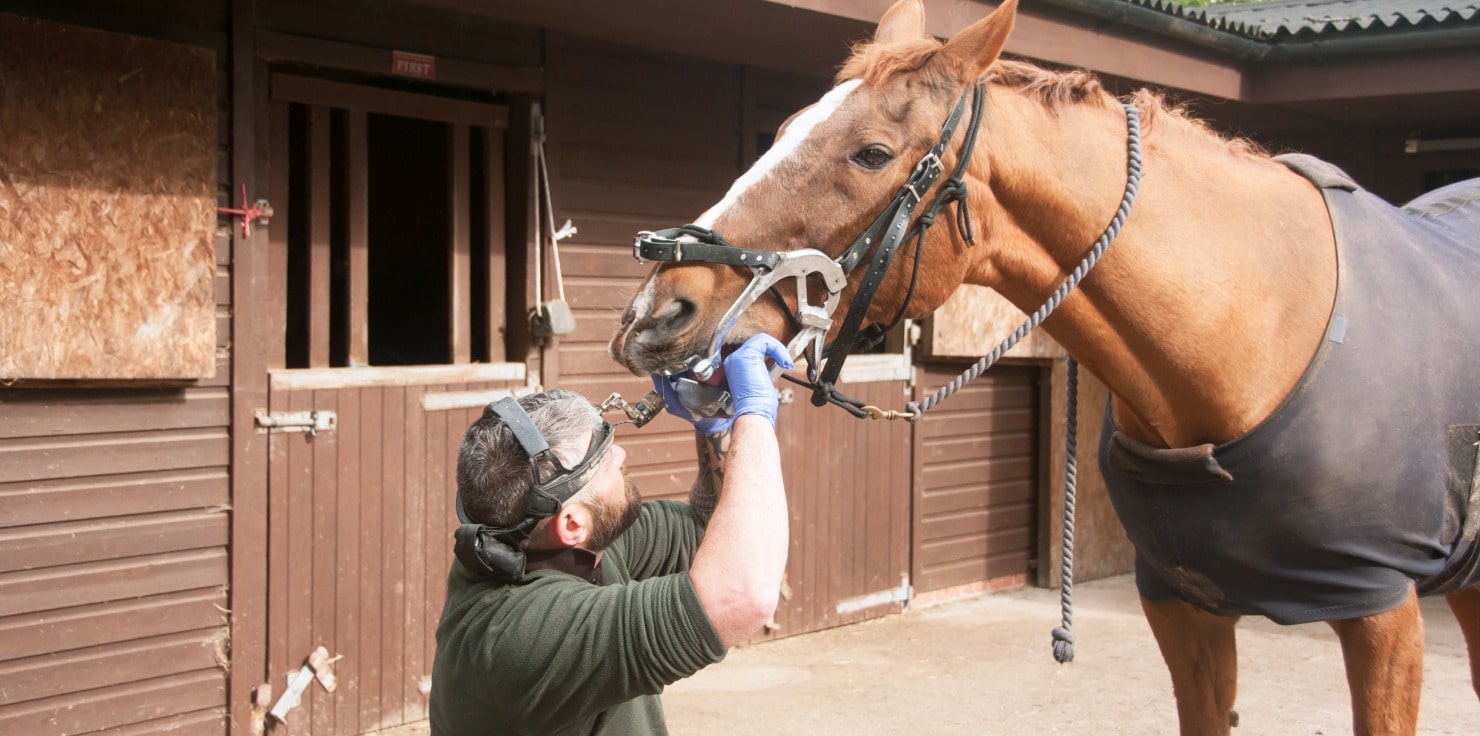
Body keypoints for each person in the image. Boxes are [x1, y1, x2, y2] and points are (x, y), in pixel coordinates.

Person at [429, 333, 795, 736]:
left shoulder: (553, 541)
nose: (621, 456)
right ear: (571, 524)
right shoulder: (520, 637)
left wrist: (713, 420)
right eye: (605, 462)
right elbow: (744, 594)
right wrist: (754, 415)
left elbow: (714, 532)